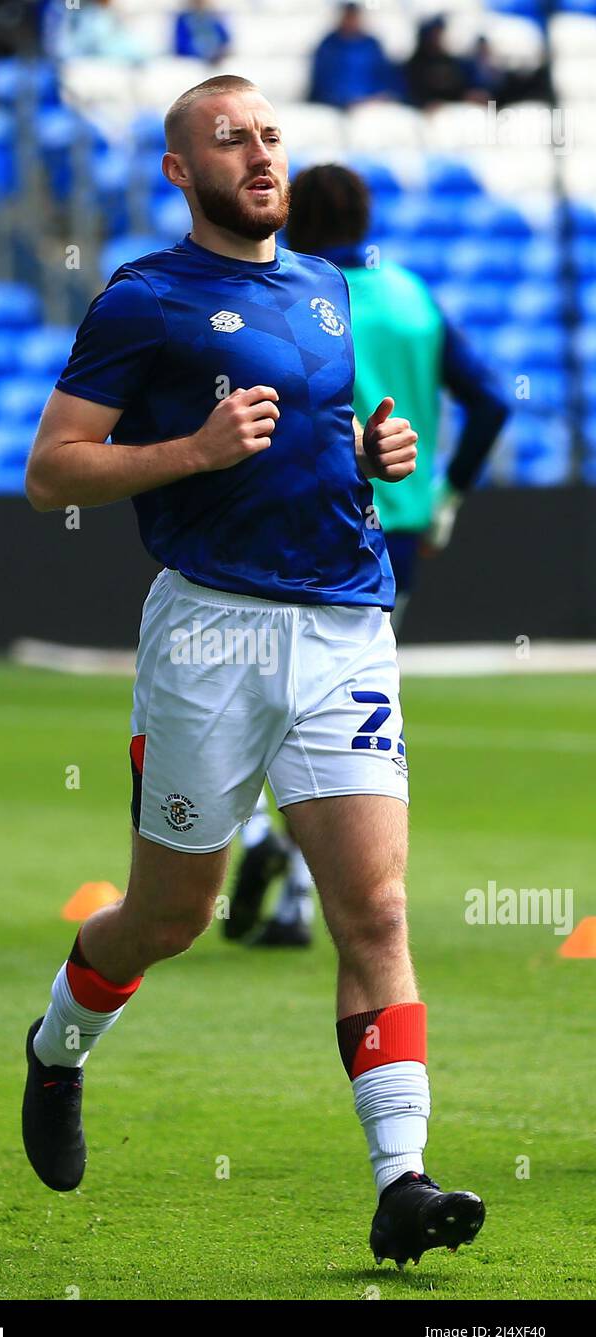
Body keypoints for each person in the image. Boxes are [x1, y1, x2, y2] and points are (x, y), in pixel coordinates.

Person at [22, 73, 485, 1269]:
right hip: (210, 639)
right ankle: (60, 1044)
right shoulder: (147, 300)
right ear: (183, 171)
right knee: (172, 916)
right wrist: (191, 448)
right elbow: (55, 470)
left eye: (271, 135)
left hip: (343, 628)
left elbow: (340, 442)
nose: (259, 154)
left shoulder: (331, 288)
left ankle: (402, 1181)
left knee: (375, 908)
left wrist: (386, 450)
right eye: (230, 140)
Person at [228, 162, 510, 948]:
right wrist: (448, 493)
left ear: (296, 219)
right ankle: (294, 897)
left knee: (257, 696)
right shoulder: (414, 297)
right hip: (401, 536)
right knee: (336, 708)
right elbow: (489, 399)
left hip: (305, 518)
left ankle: (261, 840)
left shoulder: (293, 295)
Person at [309, 2, 399, 109]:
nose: (351, 21)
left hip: (370, 103)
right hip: (336, 104)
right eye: (348, 17)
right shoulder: (328, 46)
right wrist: (345, 100)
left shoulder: (371, 45)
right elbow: (323, 82)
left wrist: (377, 96)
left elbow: (384, 77)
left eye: (354, 17)